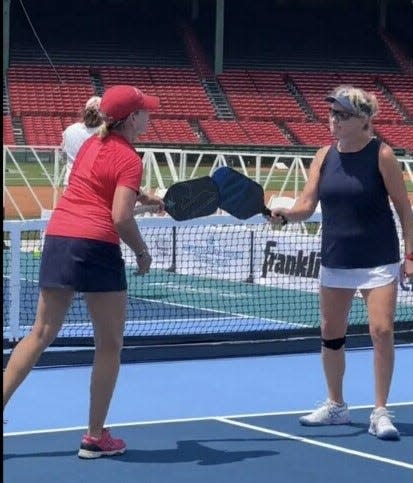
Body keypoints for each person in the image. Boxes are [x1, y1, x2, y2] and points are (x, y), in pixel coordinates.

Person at [3, 85, 164, 458]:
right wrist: (142, 252)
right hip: (97, 246)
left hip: (60, 238)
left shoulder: (92, 144)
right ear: (131, 119)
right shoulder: (130, 158)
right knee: (109, 344)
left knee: (40, 333)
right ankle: (94, 437)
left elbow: (102, 186)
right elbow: (119, 217)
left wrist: (144, 197)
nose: (149, 116)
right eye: (144, 111)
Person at [270, 85, 413, 440]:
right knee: (331, 335)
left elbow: (404, 208)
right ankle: (336, 405)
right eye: (333, 113)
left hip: (379, 259)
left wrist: (411, 254)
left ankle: (380, 411)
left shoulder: (382, 155)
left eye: (343, 115)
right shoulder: (323, 155)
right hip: (336, 259)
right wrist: (285, 215)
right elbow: (305, 206)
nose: (334, 120)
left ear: (364, 121)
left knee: (381, 331)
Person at [61, 95, 103, 187]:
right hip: (95, 184)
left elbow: (64, 155)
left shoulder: (70, 130)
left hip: (71, 182)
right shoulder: (108, 132)